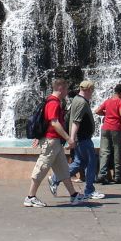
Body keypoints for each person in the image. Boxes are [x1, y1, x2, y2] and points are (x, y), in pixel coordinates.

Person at [24, 78, 85, 207]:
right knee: (41, 167)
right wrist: (68, 138)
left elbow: (47, 122)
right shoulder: (53, 103)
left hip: (55, 142)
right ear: (60, 88)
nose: (67, 92)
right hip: (51, 142)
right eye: (66, 89)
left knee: (63, 170)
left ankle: (73, 195)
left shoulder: (53, 101)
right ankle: (30, 197)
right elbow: (54, 122)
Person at [49, 80, 105, 200]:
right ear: (89, 90)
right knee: (91, 163)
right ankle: (89, 190)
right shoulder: (81, 102)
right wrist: (72, 139)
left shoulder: (77, 99)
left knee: (79, 163)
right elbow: (76, 121)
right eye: (92, 90)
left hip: (81, 138)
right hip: (83, 138)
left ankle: (55, 178)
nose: (92, 93)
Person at [96, 84, 121, 185]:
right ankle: (117, 176)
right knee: (117, 151)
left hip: (105, 128)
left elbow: (97, 111)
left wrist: (107, 114)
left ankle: (102, 175)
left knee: (104, 151)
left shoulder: (107, 101)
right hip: (116, 128)